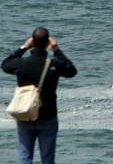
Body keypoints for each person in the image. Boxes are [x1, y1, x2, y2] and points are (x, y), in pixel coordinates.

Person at [2, 27, 77, 164]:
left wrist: (23, 47)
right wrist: (56, 50)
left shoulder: (22, 63)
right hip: (48, 116)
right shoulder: (53, 64)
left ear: (33, 42)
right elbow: (71, 71)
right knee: (48, 159)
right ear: (48, 42)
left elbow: (5, 64)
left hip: (26, 113)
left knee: (25, 157)